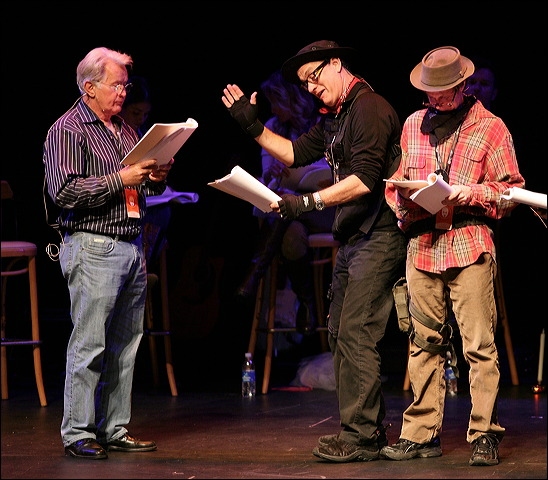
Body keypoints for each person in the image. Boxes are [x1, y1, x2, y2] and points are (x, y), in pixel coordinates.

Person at [222, 40, 406, 462]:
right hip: (354, 237)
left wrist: (309, 203)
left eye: (314, 76)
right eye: (304, 84)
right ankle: (363, 431)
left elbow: (363, 180)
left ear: (337, 64)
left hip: (379, 234)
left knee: (356, 330)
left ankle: (361, 437)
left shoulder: (369, 108)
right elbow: (295, 154)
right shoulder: (334, 116)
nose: (310, 88)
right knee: (341, 331)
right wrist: (254, 128)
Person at [383, 46, 525, 466]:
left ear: (463, 86)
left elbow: (511, 190)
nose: (436, 99)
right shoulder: (412, 125)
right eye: (430, 92)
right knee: (423, 341)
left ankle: (484, 434)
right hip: (423, 245)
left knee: (479, 345)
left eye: (444, 91)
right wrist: (405, 198)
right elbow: (396, 186)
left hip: (469, 241)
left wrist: (471, 193)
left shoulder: (490, 127)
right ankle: (422, 434)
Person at [43, 47, 173, 459]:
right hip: (93, 244)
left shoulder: (125, 130)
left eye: (125, 84)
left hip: (131, 244)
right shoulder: (68, 130)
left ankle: (114, 426)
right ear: (89, 87)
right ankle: (78, 430)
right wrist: (121, 178)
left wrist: (154, 176)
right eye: (116, 84)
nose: (123, 92)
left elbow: (140, 190)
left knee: (126, 344)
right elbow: (63, 192)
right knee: (90, 343)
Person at [236, 69, 335, 334]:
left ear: (293, 99)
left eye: (278, 102)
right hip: (291, 213)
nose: (275, 109)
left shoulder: (321, 124)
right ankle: (307, 303)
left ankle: (256, 272)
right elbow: (267, 178)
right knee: (291, 239)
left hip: (322, 208)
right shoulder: (272, 127)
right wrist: (273, 173)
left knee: (286, 208)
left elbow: (334, 171)